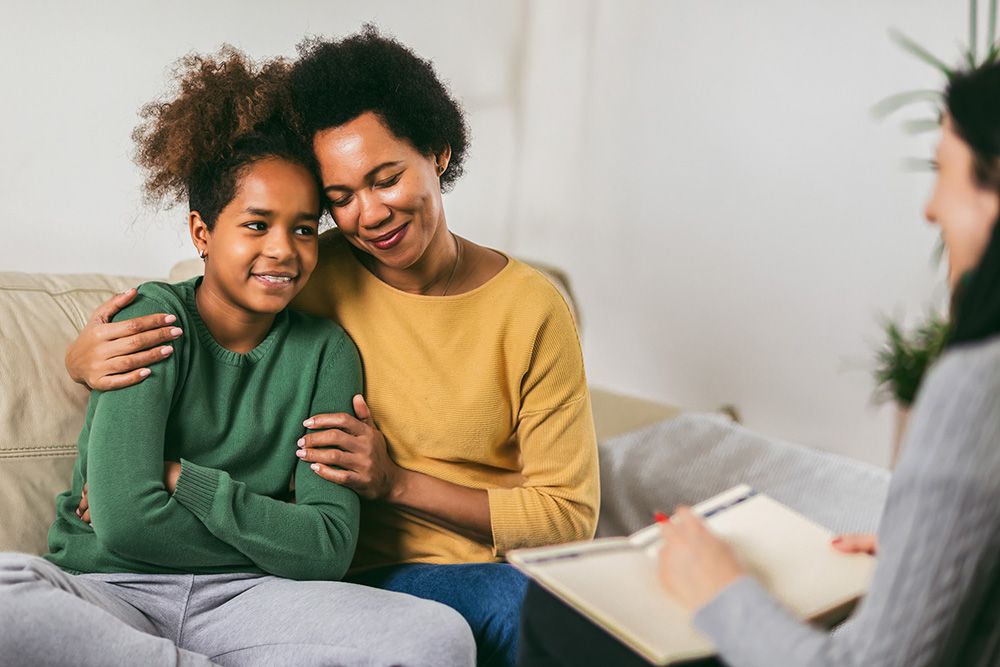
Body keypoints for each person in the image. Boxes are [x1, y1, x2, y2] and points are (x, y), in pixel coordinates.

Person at [63, 27, 600, 667]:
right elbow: (215, 296)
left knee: (547, 609)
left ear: (440, 152)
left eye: (387, 178)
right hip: (314, 577)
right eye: (340, 198)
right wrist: (85, 360)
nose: (369, 214)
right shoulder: (312, 272)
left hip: (448, 571)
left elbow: (568, 517)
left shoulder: (532, 308)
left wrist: (396, 483)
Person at [0, 47, 474, 667]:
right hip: (110, 591)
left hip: (251, 602)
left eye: (305, 228)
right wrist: (275, 532)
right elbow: (123, 527)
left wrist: (180, 480)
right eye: (256, 224)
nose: (283, 249)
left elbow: (328, 547)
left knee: (438, 637)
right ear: (202, 233)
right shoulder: (150, 318)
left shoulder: (327, 353)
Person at [517, 61, 1000, 667]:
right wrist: (927, 562)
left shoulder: (977, 387)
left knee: (560, 616)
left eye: (942, 173)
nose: (931, 209)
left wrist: (723, 591)